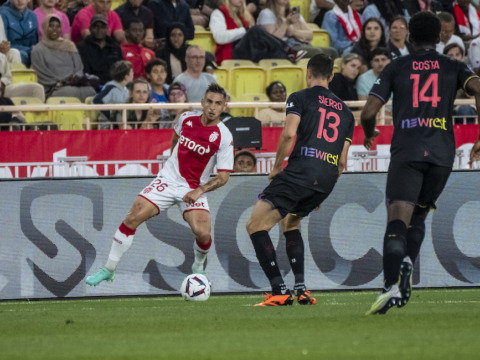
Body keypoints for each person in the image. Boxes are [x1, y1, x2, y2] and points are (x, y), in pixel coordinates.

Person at [361, 12, 480, 315]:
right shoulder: (454, 66)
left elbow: (368, 111)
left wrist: (368, 131)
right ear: (441, 36)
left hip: (408, 150)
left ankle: (390, 286)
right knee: (419, 218)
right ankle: (407, 266)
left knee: (398, 219)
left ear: (410, 38)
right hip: (442, 154)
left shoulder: (396, 66)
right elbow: (478, 88)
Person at [85, 83, 234, 286]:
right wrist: (170, 166)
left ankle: (198, 268)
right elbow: (175, 137)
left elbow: (224, 176)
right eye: (209, 101)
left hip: (193, 188)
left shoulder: (224, 136)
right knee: (132, 217)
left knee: (203, 233)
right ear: (202, 102)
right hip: (167, 180)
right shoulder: (186, 118)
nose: (212, 107)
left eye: (218, 103)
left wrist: (200, 190)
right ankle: (109, 269)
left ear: (224, 106)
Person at [245, 53, 354, 307]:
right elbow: (341, 163)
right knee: (291, 223)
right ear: (332, 77)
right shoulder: (348, 114)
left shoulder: (300, 97)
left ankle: (279, 291)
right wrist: (321, 190)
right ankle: (301, 289)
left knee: (255, 225)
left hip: (300, 172)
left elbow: (288, 134)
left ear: (308, 74)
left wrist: (275, 167)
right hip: (325, 180)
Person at [31, 14, 97, 101]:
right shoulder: (38, 50)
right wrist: (61, 82)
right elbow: (42, 74)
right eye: (51, 26)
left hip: (73, 83)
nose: (55, 29)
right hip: (55, 87)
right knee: (68, 92)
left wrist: (74, 80)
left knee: (90, 91)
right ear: (44, 27)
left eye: (58, 26)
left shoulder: (69, 46)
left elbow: (79, 68)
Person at [257, 0, 337, 59]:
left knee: (333, 53)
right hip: (285, 49)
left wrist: (293, 32)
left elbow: (310, 35)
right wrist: (286, 24)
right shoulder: (267, 13)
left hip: (301, 45)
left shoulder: (293, 12)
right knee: (318, 53)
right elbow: (271, 41)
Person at [77, 14, 124, 86]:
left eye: (102, 27)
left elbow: (121, 69)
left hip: (113, 85)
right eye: (95, 27)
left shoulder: (115, 47)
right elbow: (84, 71)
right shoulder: (82, 47)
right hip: (91, 85)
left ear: (107, 29)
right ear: (90, 28)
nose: (99, 30)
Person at [209, 0, 254, 65]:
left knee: (257, 31)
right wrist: (244, 30)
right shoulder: (218, 13)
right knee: (256, 31)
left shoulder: (245, 16)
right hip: (230, 52)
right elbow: (220, 37)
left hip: (246, 51)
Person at [93, 60, 134, 128]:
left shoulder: (126, 90)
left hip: (122, 124)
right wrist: (111, 116)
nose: (133, 74)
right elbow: (97, 100)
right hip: (108, 126)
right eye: (132, 72)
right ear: (126, 76)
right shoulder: (110, 88)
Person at [0, 0, 39, 66]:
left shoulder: (33, 15)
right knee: (20, 54)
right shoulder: (3, 14)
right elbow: (4, 43)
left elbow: (35, 42)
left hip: (31, 51)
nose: (20, 1)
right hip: (13, 52)